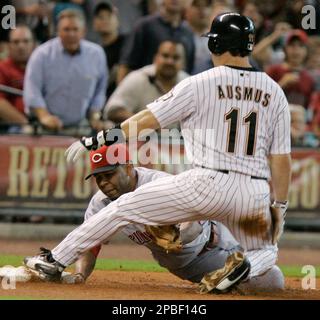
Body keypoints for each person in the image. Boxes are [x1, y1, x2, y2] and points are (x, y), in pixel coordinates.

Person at [25, 13, 291, 294]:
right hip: (252, 192)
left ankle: (54, 260)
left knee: (120, 208)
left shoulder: (199, 83)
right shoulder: (275, 92)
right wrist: (279, 207)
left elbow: (144, 122)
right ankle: (246, 263)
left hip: (207, 182)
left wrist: (99, 139)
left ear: (214, 45)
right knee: (268, 252)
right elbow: (281, 158)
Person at [27, 144, 285, 293]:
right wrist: (82, 274)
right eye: (99, 178)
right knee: (256, 283)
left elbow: (192, 220)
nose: (104, 183)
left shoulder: (159, 182)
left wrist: (179, 234)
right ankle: (229, 284)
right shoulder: (101, 204)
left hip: (218, 237)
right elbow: (91, 244)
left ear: (128, 167)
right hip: (189, 263)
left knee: (269, 271)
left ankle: (240, 272)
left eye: (110, 174)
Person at [23, 8, 108, 135]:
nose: (71, 34)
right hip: (44, 126)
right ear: (57, 31)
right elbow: (32, 91)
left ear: (83, 31)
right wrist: (44, 116)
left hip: (81, 125)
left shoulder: (97, 54)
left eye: (75, 29)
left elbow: (100, 91)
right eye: (66, 29)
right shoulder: (41, 54)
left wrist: (95, 115)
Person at [105, 40, 188, 124]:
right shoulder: (138, 78)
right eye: (165, 56)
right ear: (155, 58)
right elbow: (112, 111)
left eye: (176, 58)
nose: (170, 61)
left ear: (183, 63)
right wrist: (146, 123)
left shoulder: (189, 84)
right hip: (138, 134)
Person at [117, 0, 195, 82]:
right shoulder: (145, 26)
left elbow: (188, 68)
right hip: (146, 88)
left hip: (177, 90)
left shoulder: (188, 32)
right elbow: (126, 65)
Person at [266, 30, 315, 109]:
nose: (296, 50)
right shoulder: (274, 71)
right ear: (285, 49)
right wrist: (282, 84)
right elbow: (262, 99)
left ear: (306, 50)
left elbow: (308, 109)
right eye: (292, 45)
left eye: (301, 45)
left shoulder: (309, 79)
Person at [0, 25, 34, 131]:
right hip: (13, 125)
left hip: (46, 120)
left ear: (34, 44)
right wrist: (25, 124)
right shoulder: (2, 68)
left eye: (25, 41)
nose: (21, 46)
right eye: (16, 42)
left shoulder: (43, 67)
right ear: (9, 46)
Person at [92, 2, 128, 98]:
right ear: (94, 24)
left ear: (117, 20)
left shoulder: (129, 42)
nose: (105, 20)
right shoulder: (94, 51)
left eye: (109, 16)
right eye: (100, 17)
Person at [185, 0, 213, 75]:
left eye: (206, 6)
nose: (202, 9)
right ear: (186, 10)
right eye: (197, 5)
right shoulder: (179, 35)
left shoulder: (217, 38)